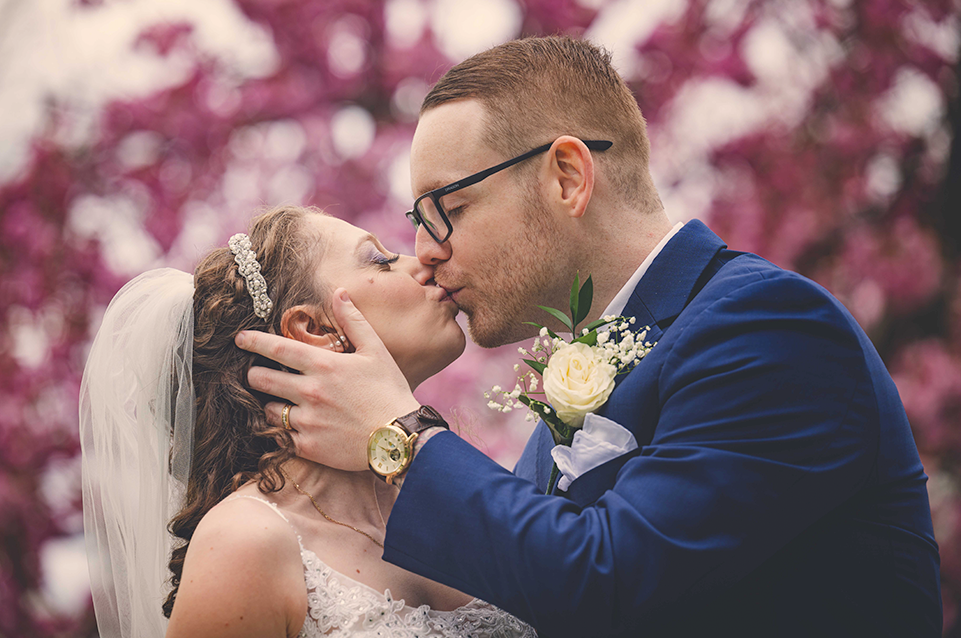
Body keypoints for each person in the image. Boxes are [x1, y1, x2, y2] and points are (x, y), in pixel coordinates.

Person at [235, 36, 943, 637]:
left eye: (447, 207)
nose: (423, 251)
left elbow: (609, 581)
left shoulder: (769, 330)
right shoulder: (571, 394)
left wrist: (399, 434)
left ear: (567, 176)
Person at [80, 205, 536, 638]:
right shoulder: (246, 542)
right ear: (313, 329)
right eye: (380, 259)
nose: (422, 263)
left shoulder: (455, 490)